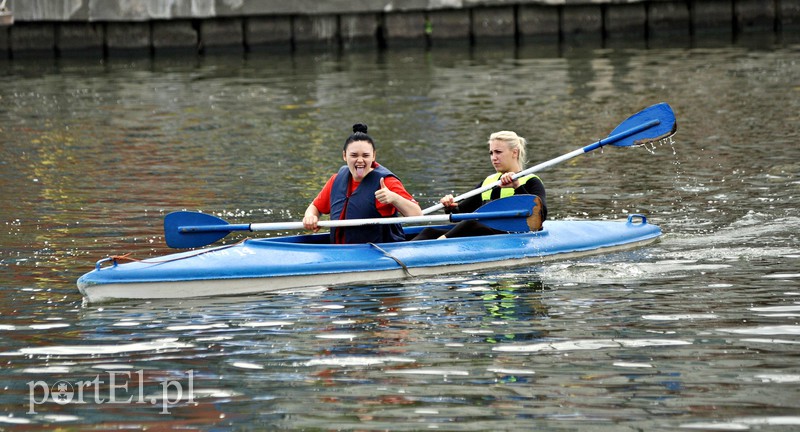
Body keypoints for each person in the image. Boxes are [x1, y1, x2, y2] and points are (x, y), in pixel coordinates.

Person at [413, 130, 547, 240]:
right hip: (484, 232)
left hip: (512, 234)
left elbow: (541, 215)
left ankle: (440, 244)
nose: (493, 157)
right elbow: (460, 214)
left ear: (515, 152)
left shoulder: (531, 181)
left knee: (474, 221)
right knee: (428, 231)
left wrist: (517, 186)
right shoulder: (489, 182)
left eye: (498, 152)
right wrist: (450, 206)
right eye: (491, 153)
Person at [303, 123, 422, 244]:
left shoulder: (386, 182)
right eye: (354, 155)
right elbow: (315, 207)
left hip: (378, 253)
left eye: (365, 155)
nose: (360, 160)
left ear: (373, 156)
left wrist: (394, 198)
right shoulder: (336, 180)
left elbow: (417, 215)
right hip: (340, 252)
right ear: (344, 155)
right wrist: (311, 216)